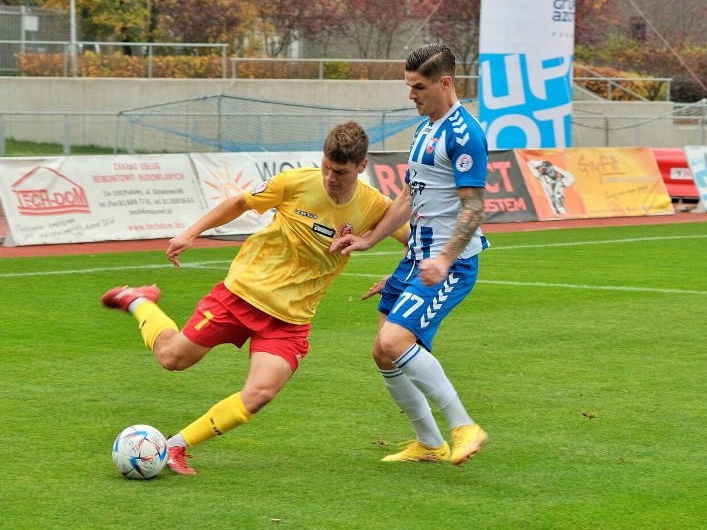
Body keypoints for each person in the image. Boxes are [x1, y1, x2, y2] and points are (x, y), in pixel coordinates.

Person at [101, 121, 408, 475]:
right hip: (243, 293)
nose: (330, 178)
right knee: (172, 358)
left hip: (291, 319)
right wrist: (191, 232)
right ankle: (138, 300)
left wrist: (396, 276)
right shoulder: (295, 183)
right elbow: (239, 203)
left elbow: (414, 243)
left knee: (259, 394)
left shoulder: (374, 206)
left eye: (339, 172)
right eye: (326, 167)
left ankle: (175, 445)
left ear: (361, 166)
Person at [331, 43, 489, 466]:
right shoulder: (425, 129)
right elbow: (407, 196)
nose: (410, 95)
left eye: (418, 87)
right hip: (416, 259)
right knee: (383, 351)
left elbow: (474, 207)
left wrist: (444, 259)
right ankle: (430, 443)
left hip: (447, 265)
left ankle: (464, 426)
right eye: (408, 86)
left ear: (445, 83)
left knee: (395, 340)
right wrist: (369, 241)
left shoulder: (464, 134)